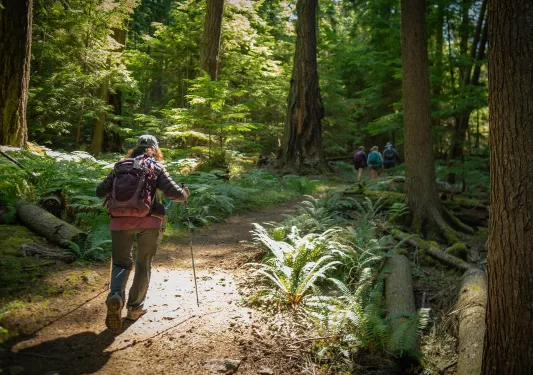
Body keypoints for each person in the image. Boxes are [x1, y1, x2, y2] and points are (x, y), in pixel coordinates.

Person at [96, 135, 190, 329]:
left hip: (120, 221)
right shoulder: (156, 167)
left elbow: (100, 192)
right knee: (143, 263)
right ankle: (134, 307)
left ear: (136, 148)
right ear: (155, 149)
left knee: (121, 262)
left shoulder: (120, 166)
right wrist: (185, 194)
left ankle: (115, 297)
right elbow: (175, 194)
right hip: (150, 222)